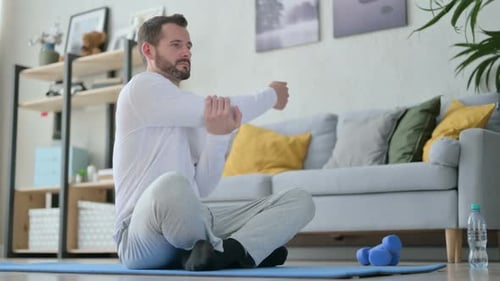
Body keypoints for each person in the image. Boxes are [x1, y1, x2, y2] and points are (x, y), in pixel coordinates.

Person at [113, 14, 315, 271]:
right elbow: (225, 109)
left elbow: (203, 187)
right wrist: (272, 95)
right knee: (172, 184)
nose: (186, 52)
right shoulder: (140, 89)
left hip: (192, 224)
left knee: (300, 200)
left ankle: (228, 253)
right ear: (148, 50)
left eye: (188, 46)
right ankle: (245, 249)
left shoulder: (186, 108)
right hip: (139, 236)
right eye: (176, 45)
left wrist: (219, 136)